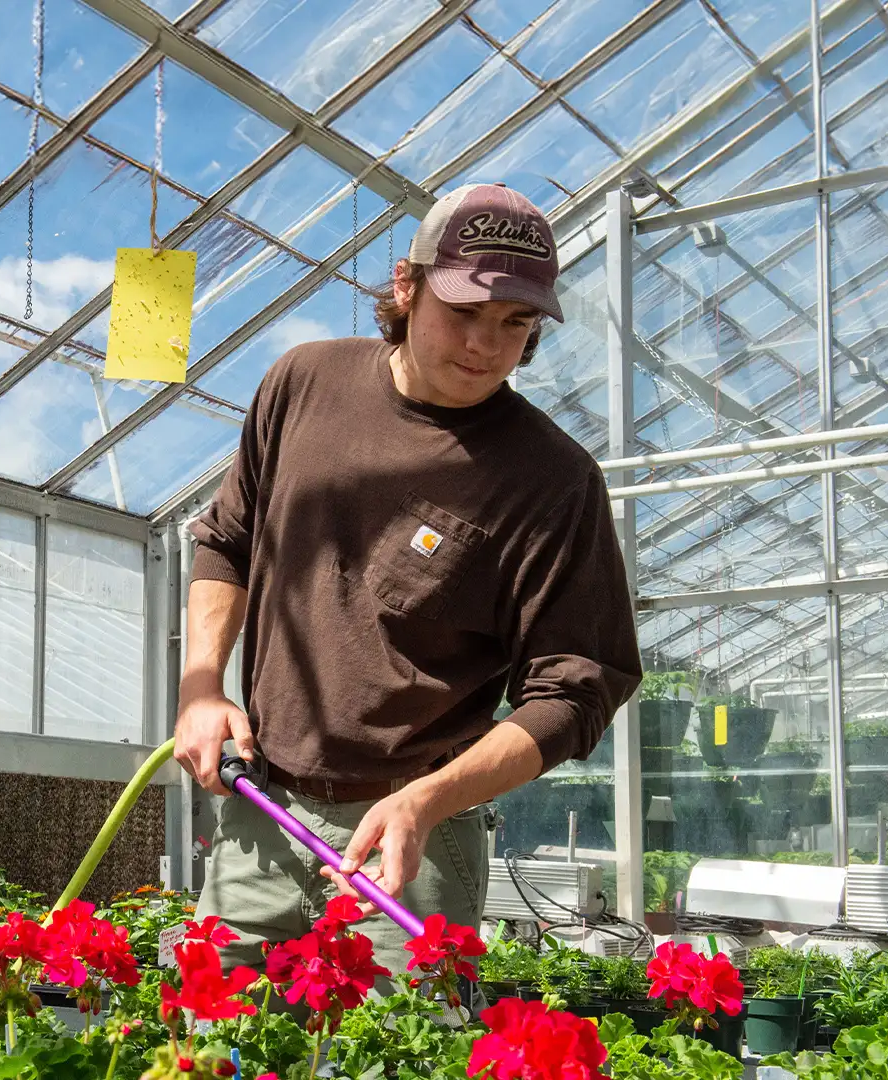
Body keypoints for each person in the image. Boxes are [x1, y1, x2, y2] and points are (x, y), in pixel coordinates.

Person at [176, 182, 643, 965]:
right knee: (209, 1043)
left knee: (394, 1053)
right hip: (259, 805)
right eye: (464, 312)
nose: (488, 346)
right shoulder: (303, 384)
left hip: (415, 838)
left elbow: (577, 687)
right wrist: (199, 687)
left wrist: (428, 800)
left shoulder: (551, 480)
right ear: (406, 284)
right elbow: (228, 539)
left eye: (516, 323)